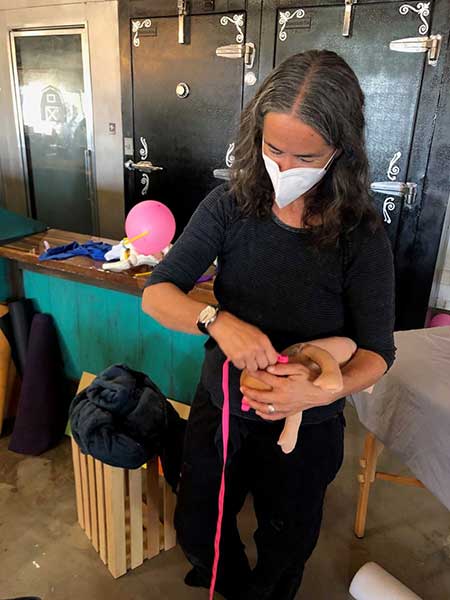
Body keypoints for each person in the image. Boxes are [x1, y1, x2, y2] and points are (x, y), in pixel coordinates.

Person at [142, 50, 396, 600]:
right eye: (272, 148)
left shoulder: (360, 233)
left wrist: (321, 387)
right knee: (200, 527)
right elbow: (157, 294)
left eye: (304, 155)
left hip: (309, 428)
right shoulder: (230, 205)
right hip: (223, 407)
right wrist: (215, 319)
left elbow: (377, 350)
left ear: (340, 151)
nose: (283, 167)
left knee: (286, 542)